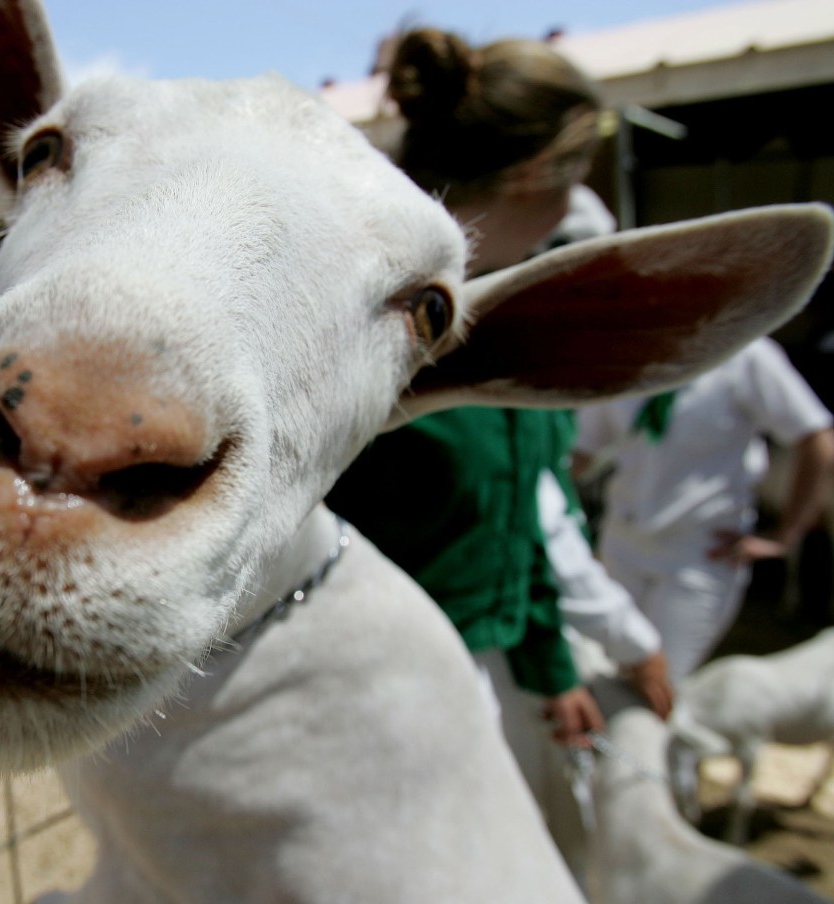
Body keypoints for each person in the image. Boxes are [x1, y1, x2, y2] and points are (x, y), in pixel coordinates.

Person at [325, 28, 671, 818]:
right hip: (362, 698)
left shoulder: (500, 314)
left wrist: (550, 662)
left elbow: (525, 517)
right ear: (530, 174)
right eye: (574, 173)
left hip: (464, 681)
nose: (575, 202)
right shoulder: (356, 314)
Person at [574, 340, 834, 682]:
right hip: (621, 546)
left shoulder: (746, 356)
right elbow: (583, 451)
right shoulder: (625, 353)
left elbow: (815, 438)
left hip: (698, 555)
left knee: (657, 684)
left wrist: (785, 536)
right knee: (598, 674)